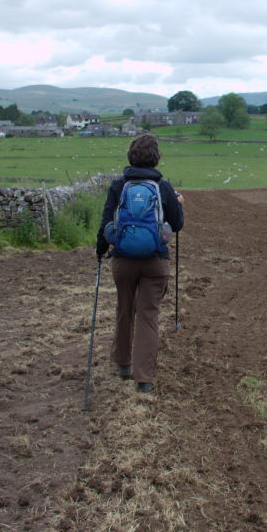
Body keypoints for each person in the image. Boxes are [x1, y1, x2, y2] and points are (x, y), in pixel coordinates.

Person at [96, 133, 184, 393]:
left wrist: (100, 251)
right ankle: (144, 380)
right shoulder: (163, 187)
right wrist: (179, 204)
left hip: (123, 260)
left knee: (124, 310)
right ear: (156, 158)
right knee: (148, 316)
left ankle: (123, 365)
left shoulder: (118, 185)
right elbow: (177, 224)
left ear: (131, 156)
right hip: (155, 262)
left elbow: (106, 222)